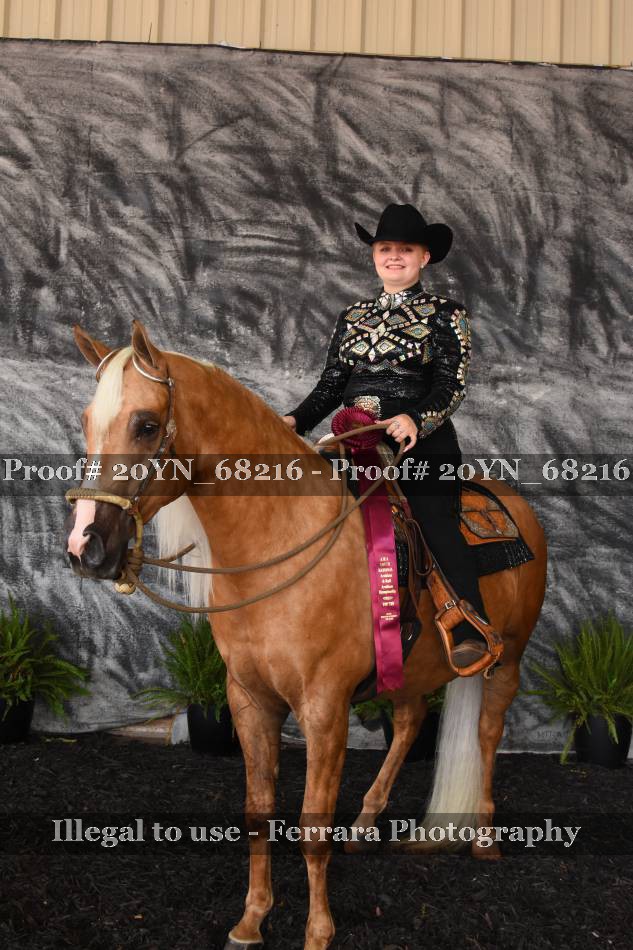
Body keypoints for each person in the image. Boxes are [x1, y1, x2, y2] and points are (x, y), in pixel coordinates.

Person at [281, 202, 497, 672]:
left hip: (421, 442)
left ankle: (469, 627)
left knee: (434, 519)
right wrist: (295, 420)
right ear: (374, 255)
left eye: (406, 249)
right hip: (353, 440)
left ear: (424, 257)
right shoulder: (352, 316)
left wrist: (416, 419)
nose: (394, 256)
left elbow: (452, 385)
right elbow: (331, 386)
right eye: (385, 248)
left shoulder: (446, 314)